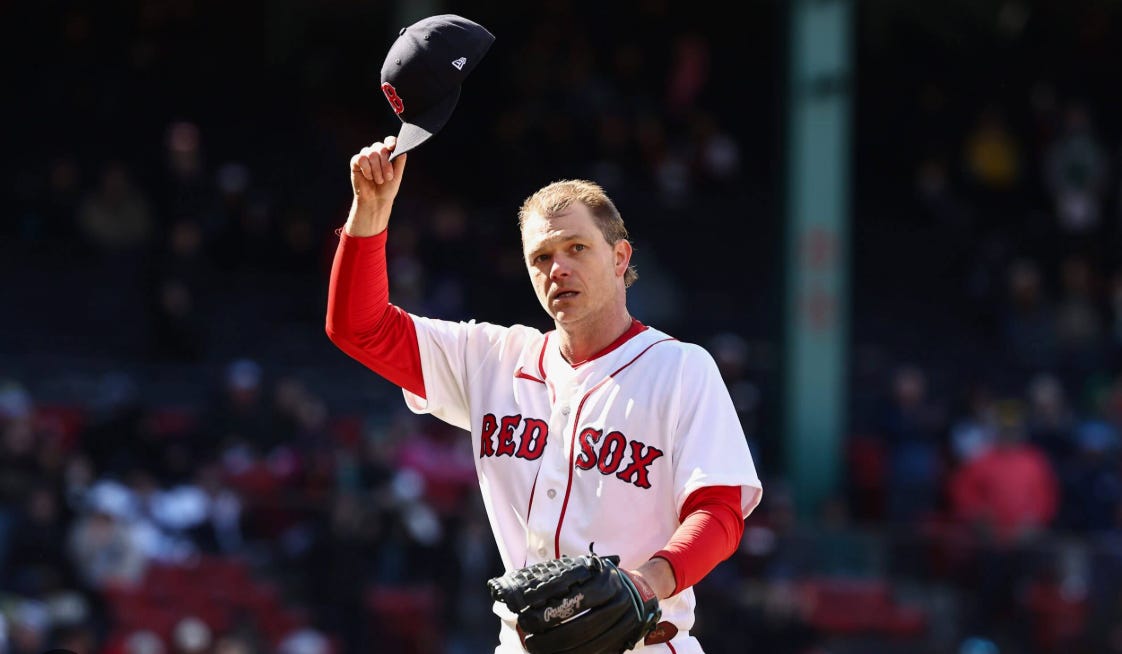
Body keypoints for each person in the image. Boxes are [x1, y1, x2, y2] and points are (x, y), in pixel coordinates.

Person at [325, 134, 762, 653]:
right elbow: (358, 327)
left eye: (577, 248)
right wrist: (371, 210)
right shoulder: (491, 359)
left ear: (620, 257)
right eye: (541, 257)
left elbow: (719, 512)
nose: (558, 269)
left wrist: (647, 582)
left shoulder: (680, 368)